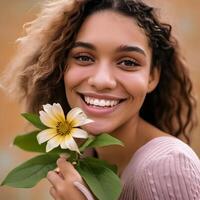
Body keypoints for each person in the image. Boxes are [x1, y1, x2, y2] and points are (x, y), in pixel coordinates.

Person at [2, 0, 200, 199]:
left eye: (128, 62)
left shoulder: (168, 166)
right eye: (84, 57)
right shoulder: (85, 157)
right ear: (60, 68)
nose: (101, 80)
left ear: (152, 77)